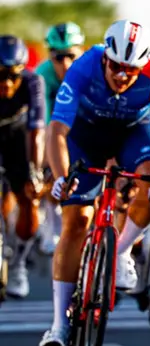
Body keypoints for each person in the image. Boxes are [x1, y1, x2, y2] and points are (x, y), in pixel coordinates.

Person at [39, 20, 150, 346]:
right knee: (75, 222)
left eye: (131, 70)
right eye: (115, 66)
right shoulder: (84, 66)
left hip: (134, 131)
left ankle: (121, 248)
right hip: (85, 134)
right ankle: (59, 324)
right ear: (105, 58)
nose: (121, 75)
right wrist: (60, 177)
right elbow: (56, 130)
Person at [0, 35, 46, 299]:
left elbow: (36, 132)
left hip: (18, 139)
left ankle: (18, 264)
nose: (6, 84)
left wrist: (35, 171)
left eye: (12, 76)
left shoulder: (32, 82)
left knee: (29, 198)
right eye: (0, 76)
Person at [35, 22, 85, 255]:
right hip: (56, 126)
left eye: (71, 56)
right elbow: (44, 121)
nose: (65, 64)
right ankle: (52, 217)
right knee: (50, 164)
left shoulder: (94, 68)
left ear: (82, 51)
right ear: (49, 56)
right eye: (58, 57)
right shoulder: (42, 75)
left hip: (85, 125)